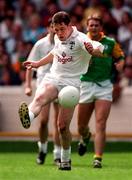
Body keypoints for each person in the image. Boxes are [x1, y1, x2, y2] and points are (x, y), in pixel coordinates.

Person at [18, 11, 104, 171]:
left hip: (71, 85)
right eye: (56, 30)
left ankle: (65, 159)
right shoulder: (58, 37)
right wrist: (37, 63)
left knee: (62, 126)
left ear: (69, 25)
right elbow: (54, 53)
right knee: (40, 98)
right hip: (54, 78)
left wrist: (94, 51)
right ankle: (28, 117)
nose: (58, 33)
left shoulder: (81, 39)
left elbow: (99, 48)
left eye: (61, 29)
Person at [77, 14, 125, 168]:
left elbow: (120, 56)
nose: (94, 28)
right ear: (87, 27)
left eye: (97, 25)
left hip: (104, 86)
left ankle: (97, 158)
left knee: (101, 123)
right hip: (85, 85)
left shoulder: (110, 43)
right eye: (91, 25)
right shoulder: (81, 41)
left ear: (101, 28)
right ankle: (85, 137)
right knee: (81, 126)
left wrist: (120, 64)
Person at [24, 19, 61, 165]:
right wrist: (28, 86)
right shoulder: (40, 44)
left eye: (57, 26)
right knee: (44, 121)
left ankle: (58, 155)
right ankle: (43, 149)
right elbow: (30, 65)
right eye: (52, 26)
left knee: (59, 123)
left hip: (60, 83)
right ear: (48, 27)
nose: (54, 28)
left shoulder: (64, 43)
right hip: (44, 83)